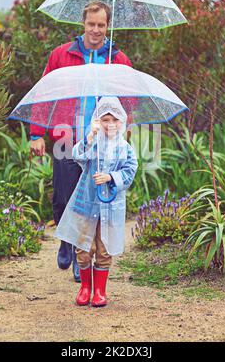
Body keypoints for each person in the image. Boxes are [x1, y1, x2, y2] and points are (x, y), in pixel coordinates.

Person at [30, 1, 133, 282]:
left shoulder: (117, 59)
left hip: (100, 144)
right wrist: (37, 134)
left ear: (107, 25)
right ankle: (65, 240)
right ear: (83, 24)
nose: (96, 30)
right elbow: (44, 94)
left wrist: (123, 133)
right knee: (63, 197)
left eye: (101, 25)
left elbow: (129, 101)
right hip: (66, 135)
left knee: (90, 203)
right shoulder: (62, 55)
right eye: (91, 24)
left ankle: (80, 256)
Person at [54, 97, 138, 307]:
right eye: (105, 119)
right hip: (87, 203)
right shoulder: (93, 143)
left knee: (104, 247)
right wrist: (90, 136)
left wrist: (111, 178)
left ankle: (100, 291)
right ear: (97, 121)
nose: (110, 125)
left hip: (110, 207)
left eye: (114, 120)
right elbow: (77, 156)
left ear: (122, 121)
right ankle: (85, 288)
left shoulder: (125, 148)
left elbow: (129, 171)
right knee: (83, 247)